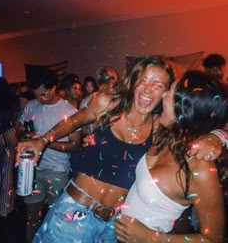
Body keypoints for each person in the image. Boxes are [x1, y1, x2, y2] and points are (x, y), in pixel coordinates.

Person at [16, 56, 224, 243]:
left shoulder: (160, 127)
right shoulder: (108, 105)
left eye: (158, 85)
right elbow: (72, 122)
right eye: (143, 80)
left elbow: (201, 118)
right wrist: (42, 140)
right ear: (133, 82)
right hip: (75, 212)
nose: (147, 89)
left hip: (115, 226)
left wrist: (218, 137)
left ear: (167, 94)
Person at [115, 70, 228, 243]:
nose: (164, 94)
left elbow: (214, 238)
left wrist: (151, 238)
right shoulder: (163, 134)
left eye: (170, 92)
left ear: (183, 108)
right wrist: (220, 135)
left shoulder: (200, 166)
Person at [16, 69, 81, 243]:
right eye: (36, 95)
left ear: (53, 88)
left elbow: (75, 145)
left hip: (57, 171)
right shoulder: (31, 105)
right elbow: (20, 128)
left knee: (57, 218)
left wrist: (44, 142)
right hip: (32, 169)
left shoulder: (68, 110)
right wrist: (24, 134)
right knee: (31, 215)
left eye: (43, 94)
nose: (40, 99)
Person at [0, 77, 20, 217]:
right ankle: (5, 209)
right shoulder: (13, 97)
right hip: (9, 134)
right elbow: (15, 117)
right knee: (7, 172)